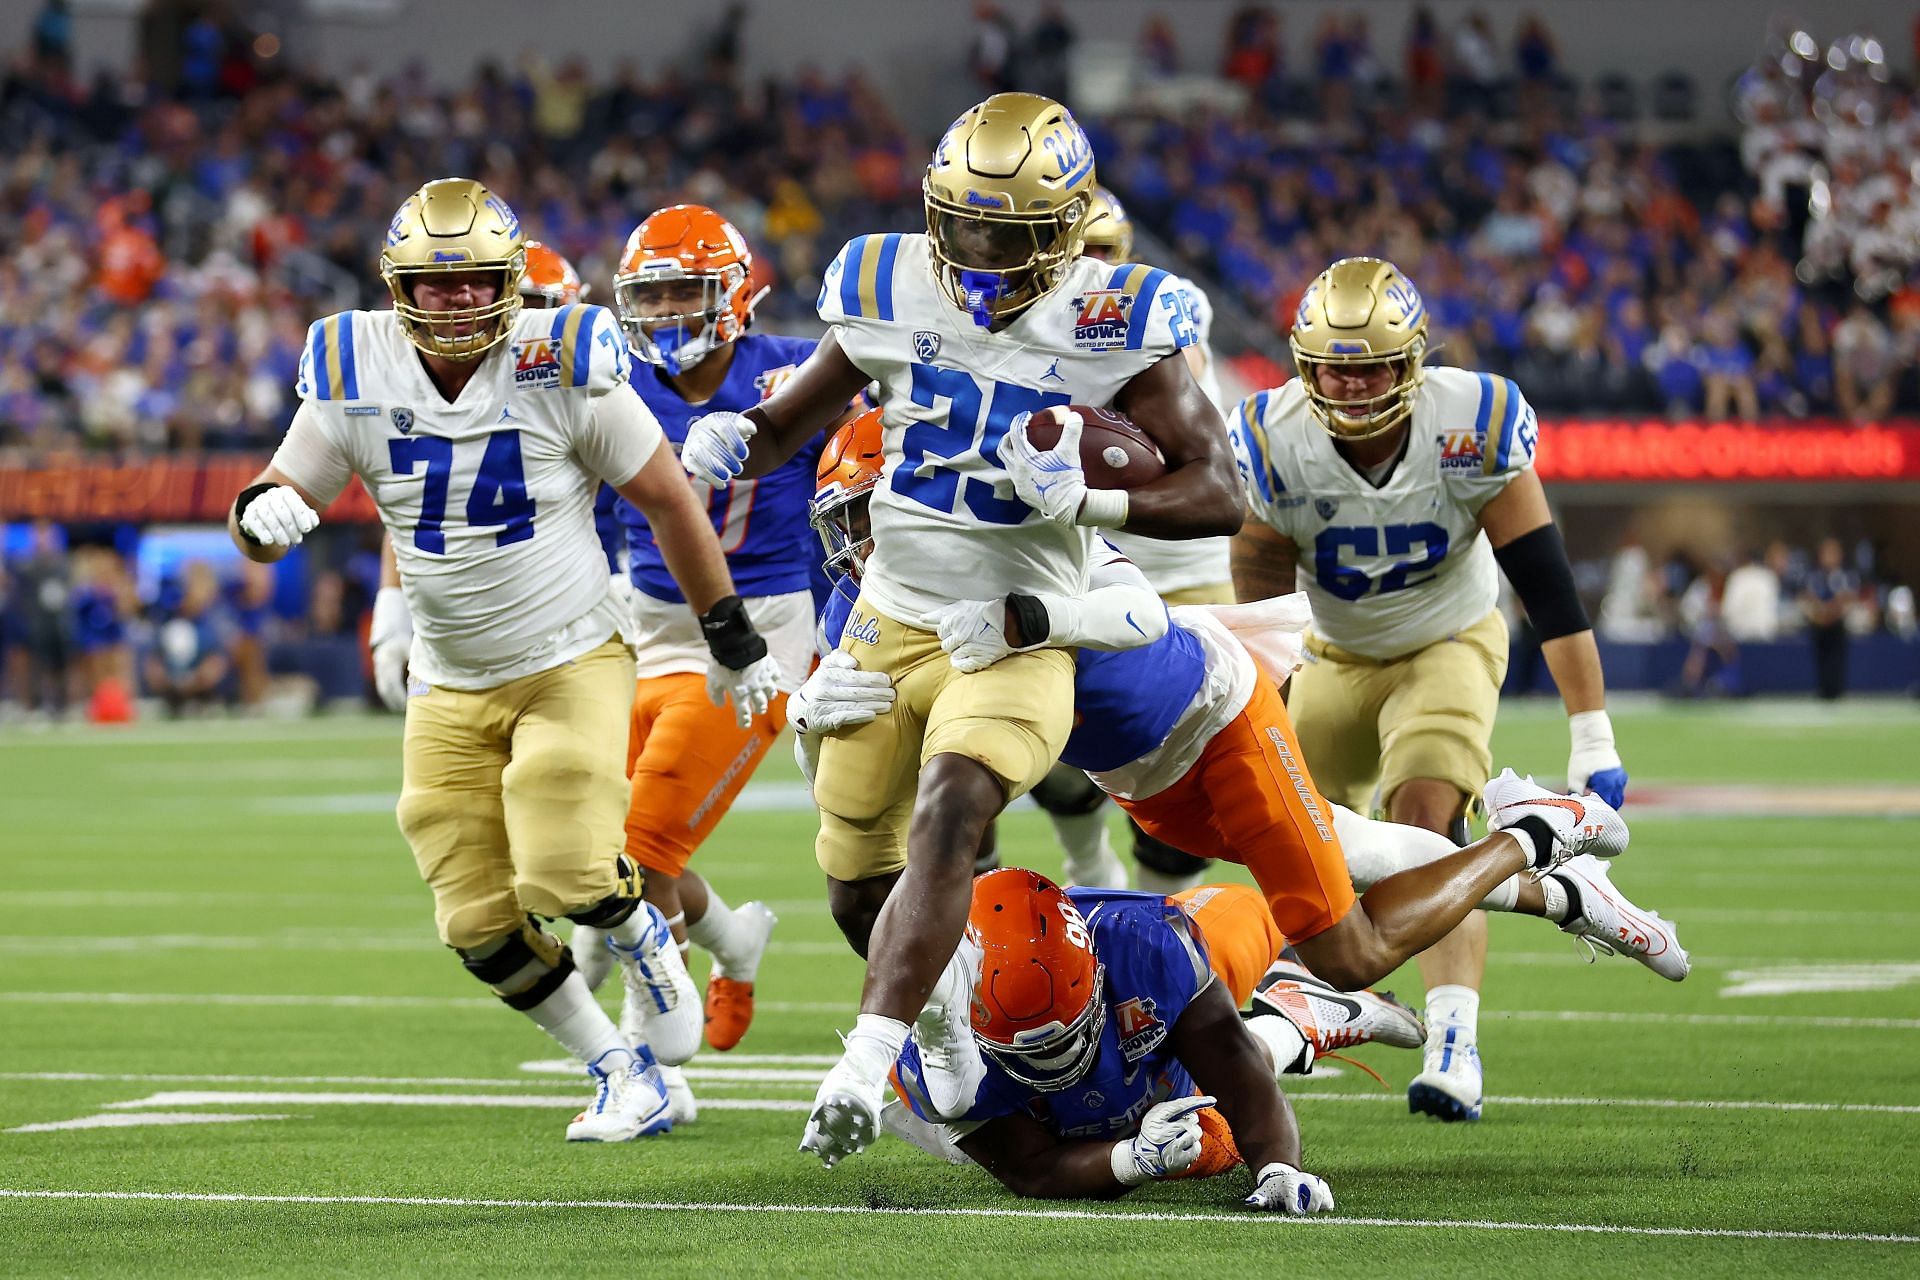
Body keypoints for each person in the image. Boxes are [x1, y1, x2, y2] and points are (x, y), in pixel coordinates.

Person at [679, 93, 1244, 1169]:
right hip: (892, 613)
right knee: (853, 881)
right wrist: (732, 436)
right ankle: (940, 1022)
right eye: (966, 223)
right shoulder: (885, 280)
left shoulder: (1115, 317)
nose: (981, 251)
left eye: (1012, 231)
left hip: (1019, 625)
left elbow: (1220, 491)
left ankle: (864, 1055)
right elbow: (790, 423)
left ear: (1068, 228)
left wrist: (1089, 502)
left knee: (954, 809)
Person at [227, 177, 778, 1142]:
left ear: (512, 282)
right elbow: (285, 493)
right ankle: (618, 1068)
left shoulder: (558, 358)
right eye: (432, 286)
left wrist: (728, 629)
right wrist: (261, 517)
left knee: (569, 864)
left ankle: (644, 932)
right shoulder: (353, 364)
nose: (454, 302)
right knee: (475, 920)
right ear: (395, 283)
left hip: (570, 654)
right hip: (448, 682)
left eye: (477, 282)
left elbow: (666, 497)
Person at [1230, 257, 1631, 1122]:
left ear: (1412, 360)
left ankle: (1454, 1036)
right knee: (1299, 850)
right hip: (1329, 653)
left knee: (1424, 821)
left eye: (1372, 363)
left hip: (1446, 639)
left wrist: (1592, 734)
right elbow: (1259, 583)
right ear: (1304, 362)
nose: (1353, 382)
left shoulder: (1472, 421)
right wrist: (1260, 693)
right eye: (1336, 364)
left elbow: (1548, 586)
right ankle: (1334, 1000)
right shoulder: (1272, 435)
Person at [575, 205, 851, 1120]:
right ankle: (731, 939)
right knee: (598, 844)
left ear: (732, 294)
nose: (661, 312)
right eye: (646, 294)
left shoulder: (800, 372)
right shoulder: (611, 377)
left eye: (681, 291)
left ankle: (653, 1073)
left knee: (639, 851)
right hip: (640, 629)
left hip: (759, 633)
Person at [885, 870, 1415, 1209]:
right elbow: (1033, 1168)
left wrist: (1279, 1169)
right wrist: (1133, 1159)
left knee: (1258, 912)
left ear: (1093, 972)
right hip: (1056, 1123)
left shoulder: (1144, 950)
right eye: (1035, 1050)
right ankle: (1299, 1020)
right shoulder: (935, 1054)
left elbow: (1234, 1070)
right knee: (1201, 1141)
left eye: (1062, 1038)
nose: (1057, 1061)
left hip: (1147, 989)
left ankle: (1296, 1019)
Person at [1042, 185, 1235, 895]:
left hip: (1184, 559)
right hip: (1079, 560)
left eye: (1102, 252)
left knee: (1201, 758)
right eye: (1076, 252)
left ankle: (1146, 922)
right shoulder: (1012, 310)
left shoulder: (1160, 302)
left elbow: (1174, 419)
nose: (1088, 267)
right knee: (1049, 745)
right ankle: (1088, 861)